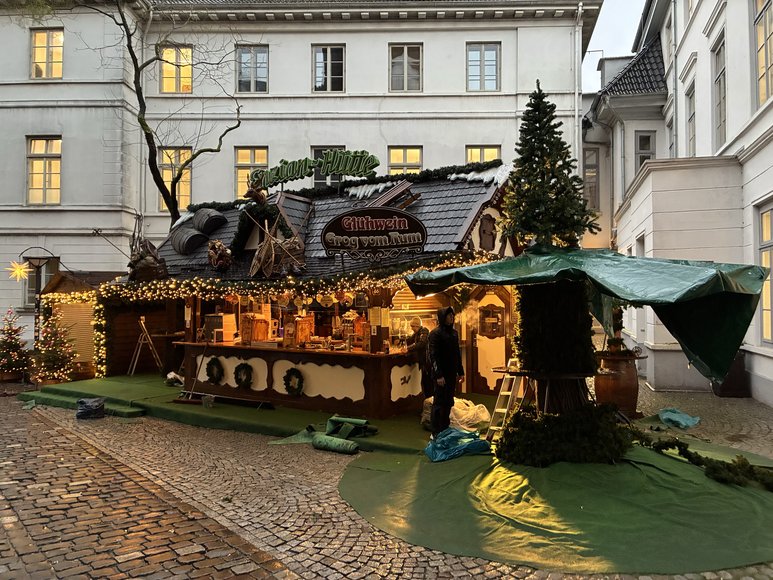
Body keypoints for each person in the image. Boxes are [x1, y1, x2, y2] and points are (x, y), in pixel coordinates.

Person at [427, 306, 464, 437]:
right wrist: (438, 375)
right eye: (449, 316)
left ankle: (445, 427)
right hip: (441, 374)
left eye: (452, 316)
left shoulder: (454, 333)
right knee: (439, 401)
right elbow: (433, 355)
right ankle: (436, 430)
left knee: (448, 401)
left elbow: (457, 353)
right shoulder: (435, 334)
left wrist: (461, 371)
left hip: (451, 373)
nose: (451, 318)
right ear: (443, 317)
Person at [406, 317, 431, 397]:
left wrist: (408, 348)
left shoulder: (424, 331)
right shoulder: (417, 333)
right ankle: (428, 400)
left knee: (428, 384)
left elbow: (421, 343)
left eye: (412, 326)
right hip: (424, 362)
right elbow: (410, 340)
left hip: (427, 362)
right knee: (425, 384)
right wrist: (401, 339)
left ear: (417, 325)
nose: (412, 328)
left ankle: (430, 400)